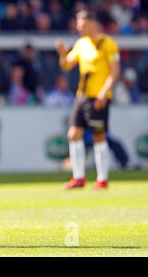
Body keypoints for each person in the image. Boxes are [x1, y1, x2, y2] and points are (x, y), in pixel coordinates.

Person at [56, 10, 120, 190]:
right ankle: (78, 177)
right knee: (73, 134)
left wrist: (104, 93)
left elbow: (115, 71)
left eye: (82, 24)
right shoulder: (81, 44)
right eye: (78, 24)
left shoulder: (107, 43)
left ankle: (102, 179)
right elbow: (67, 65)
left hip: (99, 96)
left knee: (99, 135)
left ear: (93, 24)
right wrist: (62, 53)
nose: (79, 27)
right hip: (82, 96)